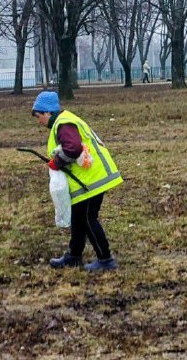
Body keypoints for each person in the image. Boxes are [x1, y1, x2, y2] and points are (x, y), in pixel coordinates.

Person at [32, 90, 123, 271]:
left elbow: (73, 149)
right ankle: (74, 256)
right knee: (78, 217)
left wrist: (57, 162)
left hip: (92, 179)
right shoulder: (65, 121)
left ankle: (105, 259)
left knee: (88, 218)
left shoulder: (63, 124)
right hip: (88, 178)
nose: (39, 121)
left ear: (48, 112)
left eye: (39, 116)